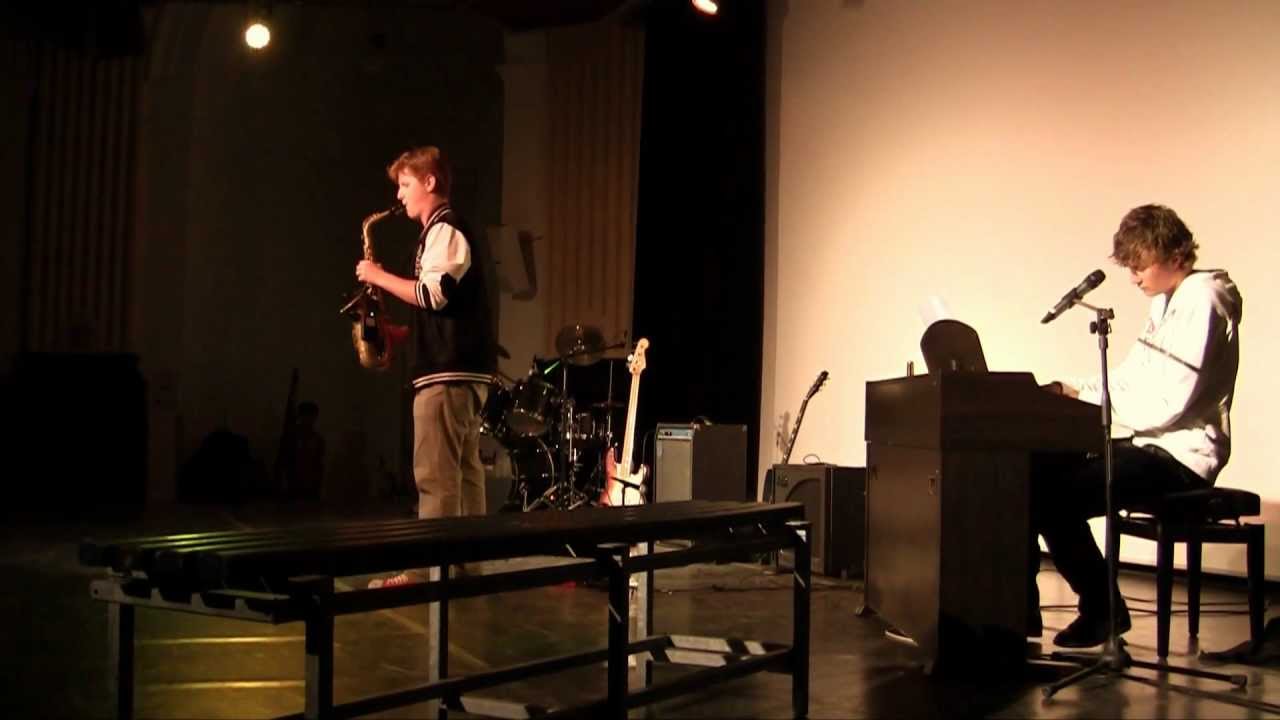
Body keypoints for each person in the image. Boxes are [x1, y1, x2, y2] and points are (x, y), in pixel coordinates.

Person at [1031, 204, 1243, 648]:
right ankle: (1016, 607)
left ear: (1174, 255)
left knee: (1052, 496)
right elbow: (1130, 378)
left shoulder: (1203, 299)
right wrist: (1073, 389)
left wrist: (1097, 404)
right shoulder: (1167, 302)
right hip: (1150, 448)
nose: (1133, 277)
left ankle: (1102, 610)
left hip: (1181, 458)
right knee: (1033, 472)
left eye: (1139, 265)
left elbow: (1167, 404)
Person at [356, 146, 497, 588]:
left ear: (430, 182)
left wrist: (377, 277)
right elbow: (446, 305)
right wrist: (403, 335)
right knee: (464, 474)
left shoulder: (444, 228)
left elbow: (432, 294)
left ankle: (425, 572)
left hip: (448, 374)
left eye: (405, 184)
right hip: (461, 371)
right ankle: (466, 567)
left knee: (435, 476)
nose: (399, 195)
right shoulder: (443, 231)